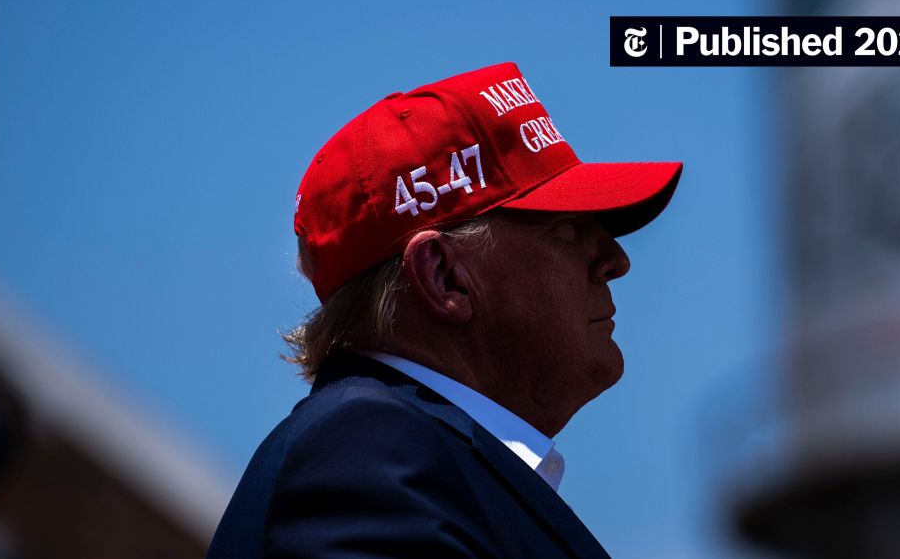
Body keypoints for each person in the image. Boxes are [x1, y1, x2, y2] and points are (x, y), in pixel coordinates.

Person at [207, 62, 682, 559]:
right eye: (566, 230)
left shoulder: (408, 459)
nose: (616, 260)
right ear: (444, 276)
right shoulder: (366, 449)